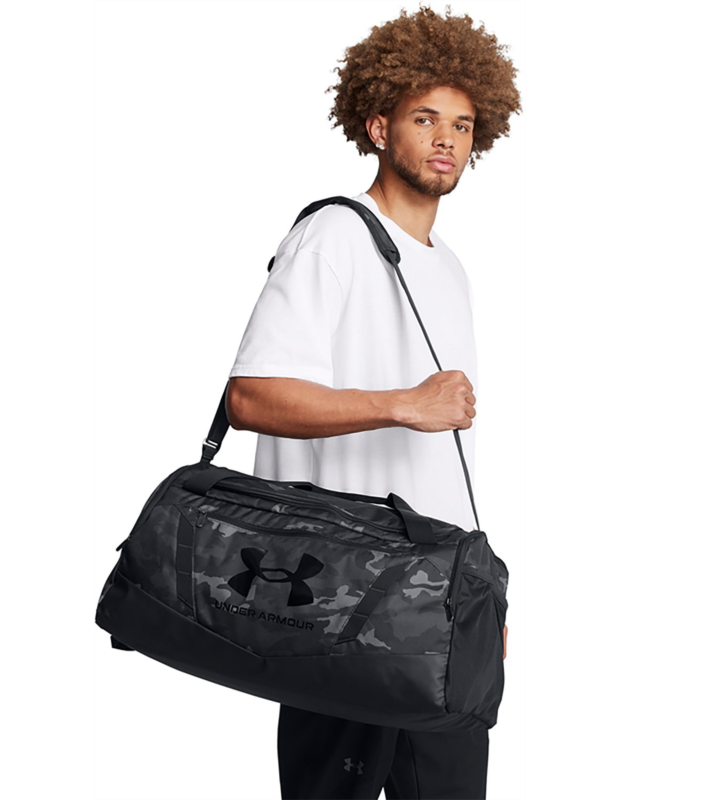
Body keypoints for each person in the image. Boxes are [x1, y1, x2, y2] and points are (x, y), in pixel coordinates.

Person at [225, 6, 521, 799]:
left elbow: (444, 463)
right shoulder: (334, 236)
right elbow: (251, 395)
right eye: (425, 118)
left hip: (440, 601)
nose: (446, 139)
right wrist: (402, 404)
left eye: (462, 124)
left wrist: (480, 591)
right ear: (379, 125)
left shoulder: (450, 268)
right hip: (337, 597)